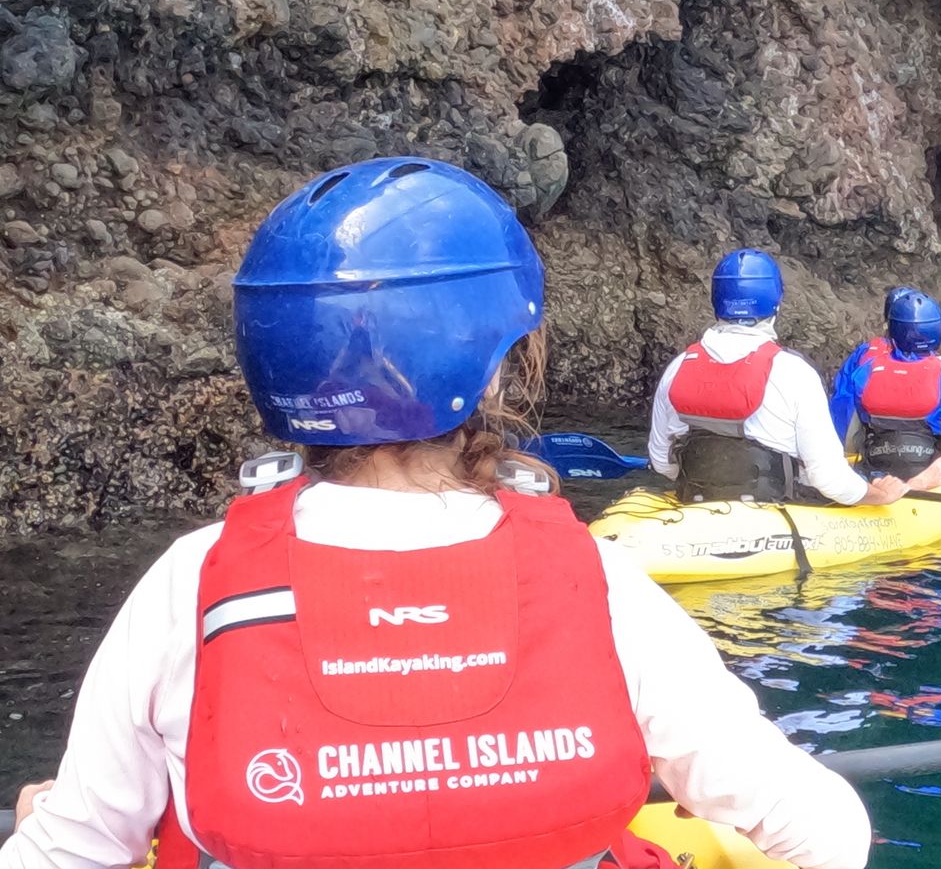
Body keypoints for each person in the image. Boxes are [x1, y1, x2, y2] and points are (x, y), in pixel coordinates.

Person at [1, 157, 871, 869]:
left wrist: (60, 823)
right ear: (492, 369)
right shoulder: (598, 583)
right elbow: (829, 832)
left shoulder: (189, 582)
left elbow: (66, 854)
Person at [649, 252, 941, 506]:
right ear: (776, 304)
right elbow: (830, 480)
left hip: (695, 501)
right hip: (776, 510)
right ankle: (918, 482)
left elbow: (663, 462)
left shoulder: (678, 368)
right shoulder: (793, 372)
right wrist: (881, 495)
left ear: (716, 299)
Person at [830, 290, 941, 477]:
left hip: (876, 465)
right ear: (938, 330)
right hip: (930, 468)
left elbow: (847, 434)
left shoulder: (864, 372)